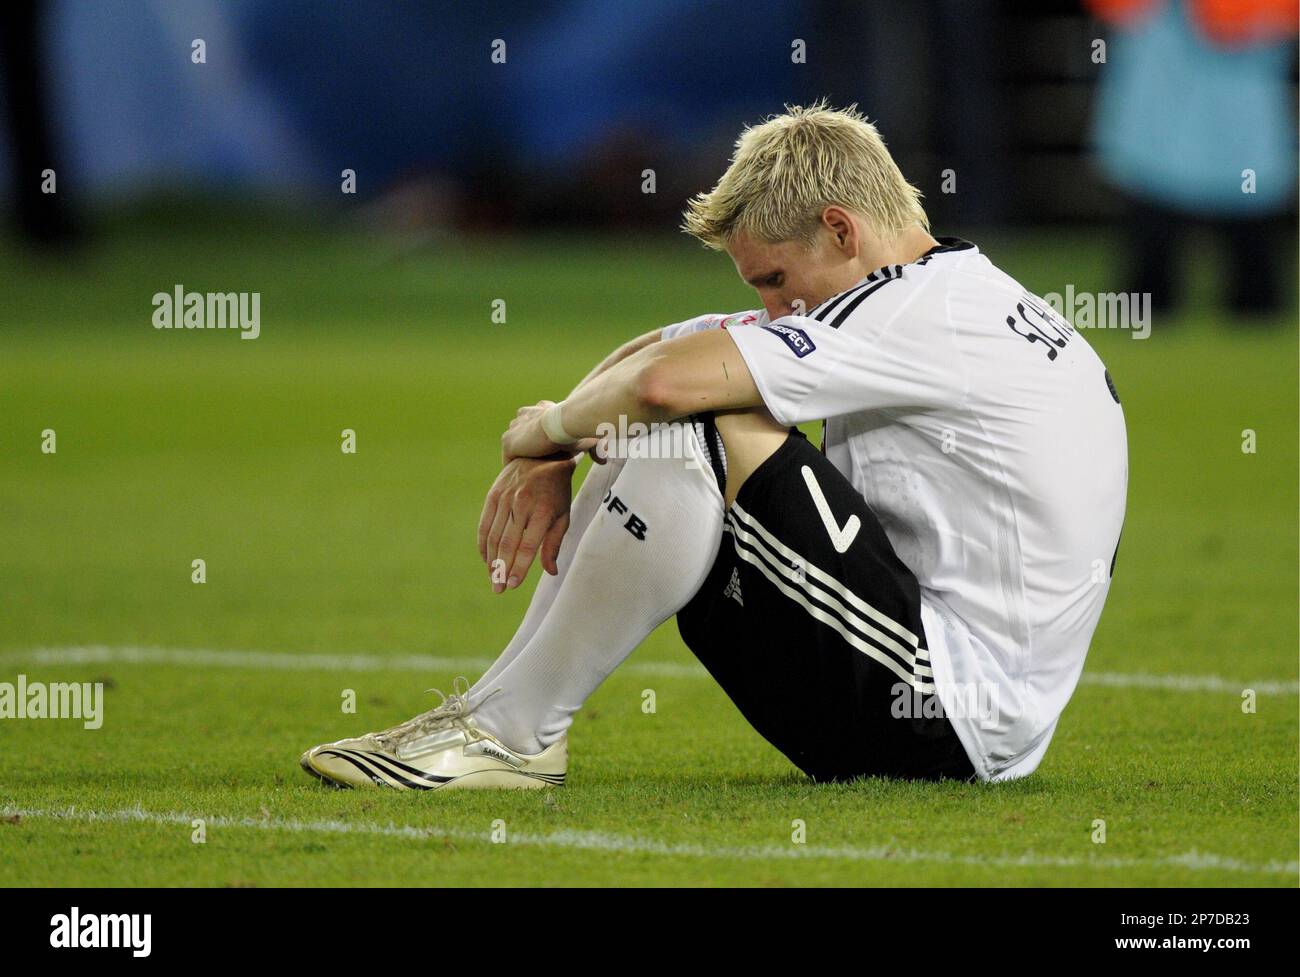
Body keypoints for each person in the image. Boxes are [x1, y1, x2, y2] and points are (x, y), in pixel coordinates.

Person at [300, 102, 1128, 791]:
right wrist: (559, 447)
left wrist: (541, 432)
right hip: (965, 704)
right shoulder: (946, 292)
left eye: (773, 280)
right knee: (696, 400)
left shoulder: (915, 311)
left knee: (696, 420)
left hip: (947, 716)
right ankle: (496, 714)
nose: (772, 309)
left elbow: (666, 385)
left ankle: (511, 733)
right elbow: (679, 345)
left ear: (841, 229)